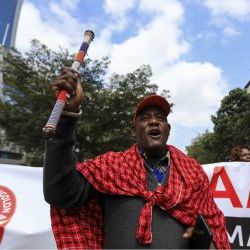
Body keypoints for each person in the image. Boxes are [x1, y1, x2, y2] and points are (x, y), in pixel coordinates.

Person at [43, 67, 230, 249]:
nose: (154, 121)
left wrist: (200, 236)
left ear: (168, 129)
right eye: (145, 118)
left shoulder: (192, 173)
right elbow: (59, 193)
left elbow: (212, 227)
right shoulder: (111, 167)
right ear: (134, 131)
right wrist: (67, 116)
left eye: (160, 118)